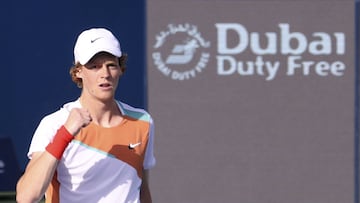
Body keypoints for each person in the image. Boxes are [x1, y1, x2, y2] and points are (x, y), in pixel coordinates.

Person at [16, 27, 156, 203]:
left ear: (120, 69)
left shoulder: (142, 122)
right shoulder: (55, 124)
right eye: (94, 66)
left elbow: (141, 189)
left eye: (111, 65)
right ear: (78, 72)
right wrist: (65, 134)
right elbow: (26, 197)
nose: (104, 74)